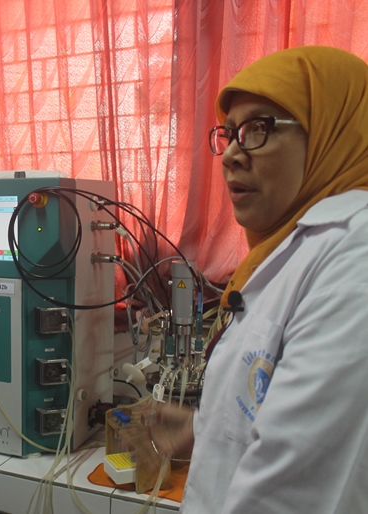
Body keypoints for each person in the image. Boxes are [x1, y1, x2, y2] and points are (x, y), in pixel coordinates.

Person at [150, 46, 368, 513]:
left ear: (332, 133)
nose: (230, 154)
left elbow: (299, 491)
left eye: (257, 129)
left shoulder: (356, 258)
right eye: (229, 133)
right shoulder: (288, 250)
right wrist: (207, 429)